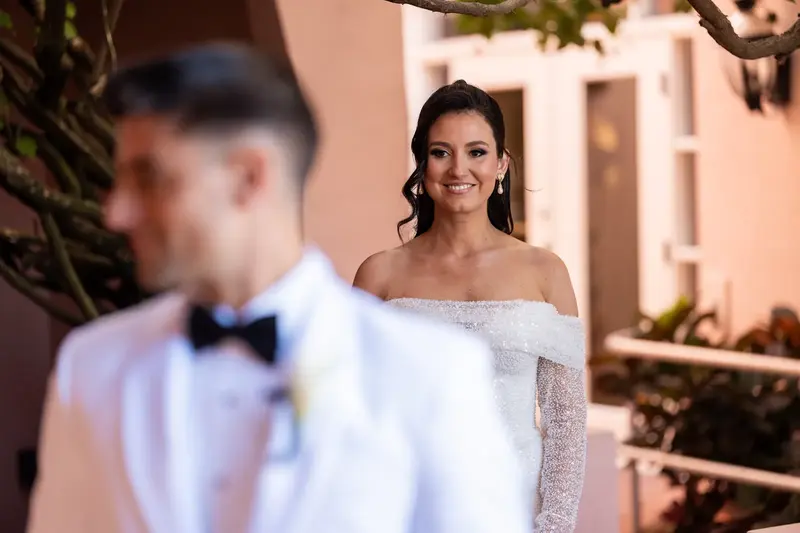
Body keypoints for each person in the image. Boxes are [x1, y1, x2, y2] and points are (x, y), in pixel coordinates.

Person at [26, 45, 531, 533]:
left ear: (249, 176)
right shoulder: (91, 366)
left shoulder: (427, 374)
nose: (116, 212)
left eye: (149, 177)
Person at [354, 80, 588, 533]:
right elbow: (353, 416)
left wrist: (555, 526)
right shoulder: (378, 276)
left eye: (477, 152)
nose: (459, 168)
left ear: (501, 163)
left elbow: (565, 421)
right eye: (441, 152)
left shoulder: (546, 272)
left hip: (516, 513)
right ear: (422, 165)